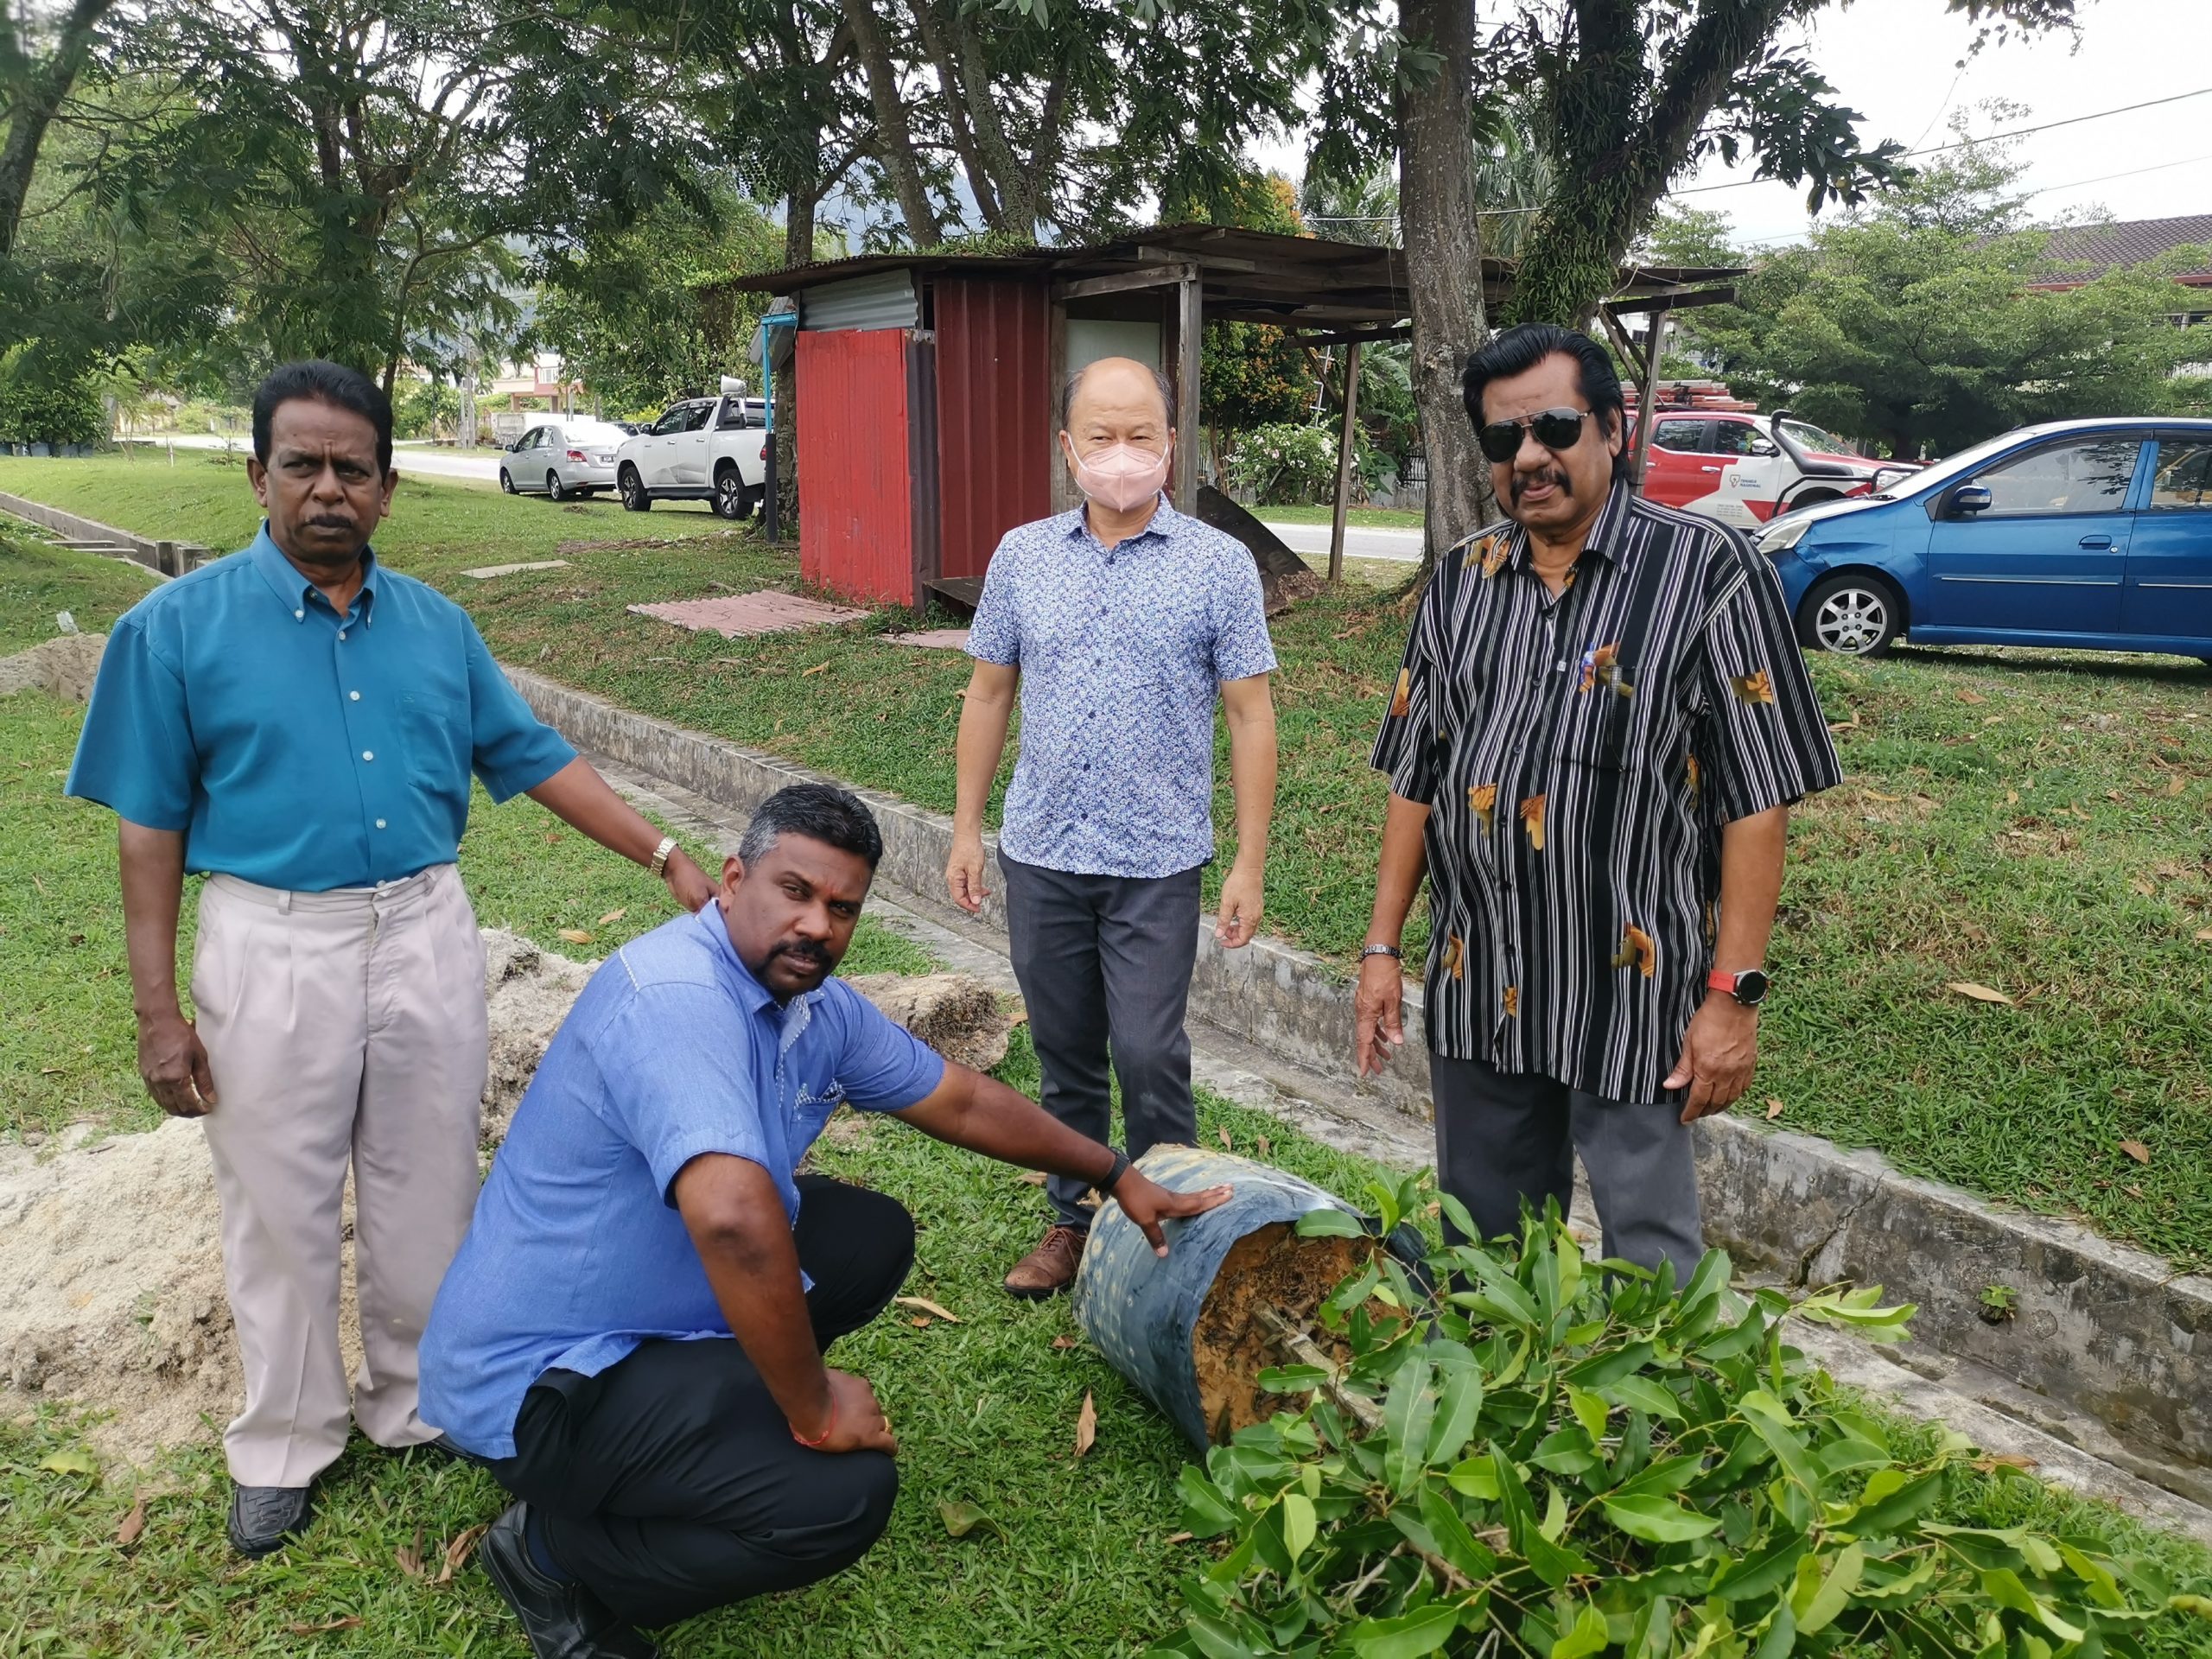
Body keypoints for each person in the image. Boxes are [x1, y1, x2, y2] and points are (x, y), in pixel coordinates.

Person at [65, 360, 717, 1558]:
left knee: (430, 1186)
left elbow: (529, 753)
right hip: (272, 939)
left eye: (350, 469)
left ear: (387, 488)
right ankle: (285, 1440)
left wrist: (664, 850)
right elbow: (147, 832)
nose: (326, 489)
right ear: (258, 476)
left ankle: (423, 1402)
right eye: (301, 465)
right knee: (278, 1205)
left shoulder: (435, 627)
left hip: (424, 929)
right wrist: (158, 1013)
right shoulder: (172, 632)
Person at [420, 784, 1228, 1659]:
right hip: (536, 1384)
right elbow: (731, 1221)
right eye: (794, 892)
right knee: (837, 1499)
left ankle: (702, 1426)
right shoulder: (678, 996)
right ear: (732, 882)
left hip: (636, 1317)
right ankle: (547, 1552)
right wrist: (811, 1408)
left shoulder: (809, 1003)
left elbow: (956, 1099)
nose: (817, 925)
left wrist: (1111, 1169)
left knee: (861, 1237)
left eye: (841, 907)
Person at [1353, 324, 1841, 1275]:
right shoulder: (1458, 584)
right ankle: (1500, 1409)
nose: (1529, 457)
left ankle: (1654, 1430)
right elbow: (1416, 773)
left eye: (1554, 427)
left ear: (1613, 430)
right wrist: (1380, 949)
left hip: (1633, 991)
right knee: (1483, 1254)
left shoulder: (1706, 573)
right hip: (1478, 976)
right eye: (1503, 440)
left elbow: (1759, 796)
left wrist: (1732, 998)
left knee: (1650, 1265)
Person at [944, 356, 1279, 1300]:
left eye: (1141, 436)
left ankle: (1174, 1222)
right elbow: (988, 693)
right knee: (1064, 1051)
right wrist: (968, 829)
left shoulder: (1218, 565)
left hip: (1156, 860)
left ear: (1171, 445)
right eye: (1101, 436)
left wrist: (1248, 860)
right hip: (1041, 849)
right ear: (1068, 448)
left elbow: (1251, 716)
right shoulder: (1022, 557)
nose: (1121, 455)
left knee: (1145, 1049)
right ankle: (1073, 1217)